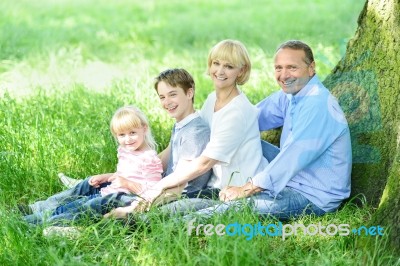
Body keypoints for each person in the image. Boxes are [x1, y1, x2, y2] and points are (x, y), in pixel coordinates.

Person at [20, 68, 212, 224]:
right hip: (153, 185)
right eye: (162, 97)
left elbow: (181, 183)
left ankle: (43, 221)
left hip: (167, 196)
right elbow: (165, 156)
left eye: (172, 95)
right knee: (92, 183)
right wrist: (121, 175)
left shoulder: (195, 132)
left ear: (190, 92)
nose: (167, 102)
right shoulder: (182, 124)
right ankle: (39, 208)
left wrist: (141, 196)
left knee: (101, 201)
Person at [105, 39, 269, 218]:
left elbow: (203, 163)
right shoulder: (212, 99)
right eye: (216, 63)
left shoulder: (237, 112)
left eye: (229, 66)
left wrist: (157, 187)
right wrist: (131, 173)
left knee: (154, 217)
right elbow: (184, 142)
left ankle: (92, 223)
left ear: (242, 70)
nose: (220, 71)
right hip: (212, 185)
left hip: (233, 192)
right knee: (132, 200)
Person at [213, 40, 352, 220]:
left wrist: (246, 189)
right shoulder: (293, 94)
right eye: (279, 68)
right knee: (236, 139)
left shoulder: (318, 105)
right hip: (293, 177)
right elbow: (250, 120)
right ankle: (209, 185)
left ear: (311, 68)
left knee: (236, 209)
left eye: (292, 68)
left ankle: (185, 220)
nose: (284, 75)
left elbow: (291, 158)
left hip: (312, 194)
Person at [24, 105, 164, 224]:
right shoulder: (125, 150)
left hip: (125, 200)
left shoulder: (149, 159)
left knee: (81, 207)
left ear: (144, 129)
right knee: (83, 190)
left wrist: (126, 183)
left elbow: (152, 192)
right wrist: (106, 176)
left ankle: (41, 223)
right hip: (109, 192)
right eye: (122, 135)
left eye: (132, 133)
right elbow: (126, 175)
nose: (127, 139)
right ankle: (38, 211)